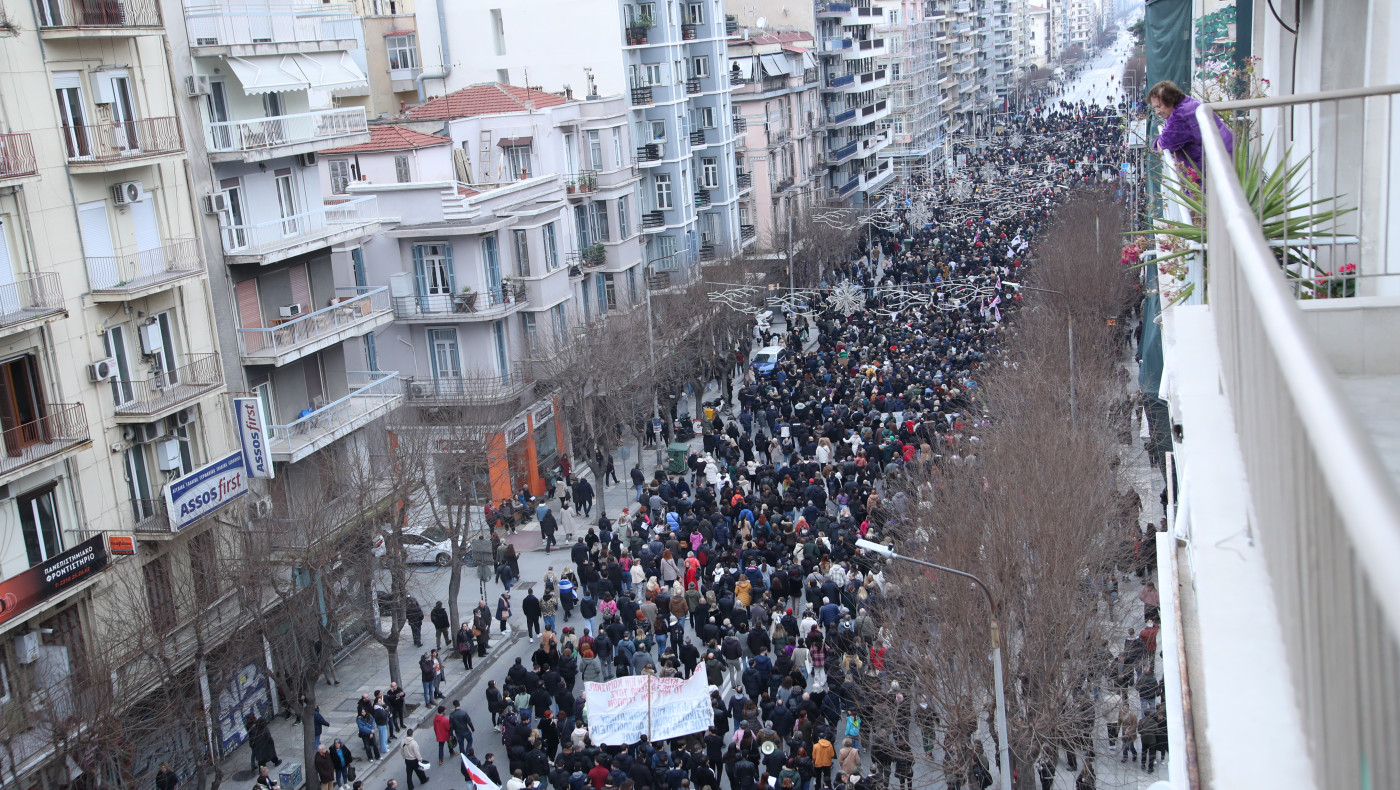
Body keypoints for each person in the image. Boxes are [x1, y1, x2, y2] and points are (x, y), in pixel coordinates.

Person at [1149, 80, 1235, 174]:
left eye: (1159, 106)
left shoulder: (1181, 115)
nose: (1157, 112)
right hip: (1226, 156)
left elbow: (1165, 144)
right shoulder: (1187, 102)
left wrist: (1158, 141)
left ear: (1170, 100)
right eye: (1155, 108)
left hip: (1217, 167)